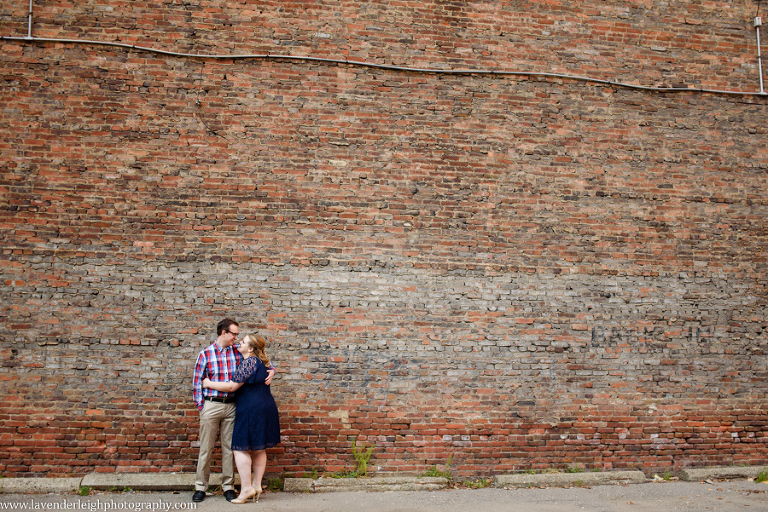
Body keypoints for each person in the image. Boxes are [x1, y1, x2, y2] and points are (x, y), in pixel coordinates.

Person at [192, 319, 274, 503]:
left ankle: (228, 487)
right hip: (211, 405)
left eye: (238, 336)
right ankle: (200, 487)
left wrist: (272, 370)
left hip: (232, 406)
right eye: (234, 334)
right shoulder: (205, 354)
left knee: (231, 448)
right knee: (206, 448)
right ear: (223, 332)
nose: (236, 339)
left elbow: (258, 361)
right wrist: (201, 406)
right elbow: (197, 381)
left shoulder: (237, 353)